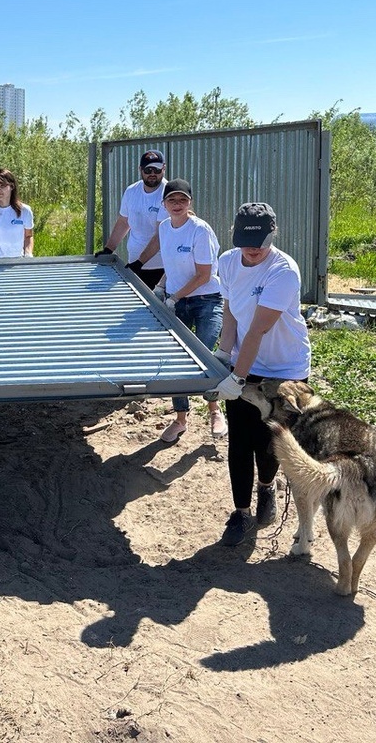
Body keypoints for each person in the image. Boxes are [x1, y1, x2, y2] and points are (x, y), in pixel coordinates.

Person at [211, 202, 312, 546]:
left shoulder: (283, 270)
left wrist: (236, 380)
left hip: (285, 369)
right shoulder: (227, 262)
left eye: (260, 242)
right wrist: (224, 356)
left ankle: (266, 488)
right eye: (245, 241)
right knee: (240, 441)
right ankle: (241, 514)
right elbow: (231, 314)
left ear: (274, 234)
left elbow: (257, 331)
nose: (252, 250)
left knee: (271, 441)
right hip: (245, 361)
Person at [130, 179, 224, 443]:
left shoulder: (199, 230)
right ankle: (181, 419)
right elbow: (159, 250)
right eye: (172, 200)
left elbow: (204, 274)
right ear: (164, 204)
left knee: (205, 358)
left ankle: (215, 411)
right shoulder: (164, 228)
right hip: (177, 300)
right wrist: (138, 266)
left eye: (182, 200)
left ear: (190, 203)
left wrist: (174, 297)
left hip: (206, 300)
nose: (177, 205)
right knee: (175, 359)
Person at [96, 149, 168, 289]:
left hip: (160, 267)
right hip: (135, 263)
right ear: (140, 169)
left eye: (157, 170)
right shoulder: (131, 191)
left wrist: (140, 263)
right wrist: (108, 249)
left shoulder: (168, 193)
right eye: (148, 170)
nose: (153, 174)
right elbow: (124, 222)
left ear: (164, 168)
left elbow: (160, 235)